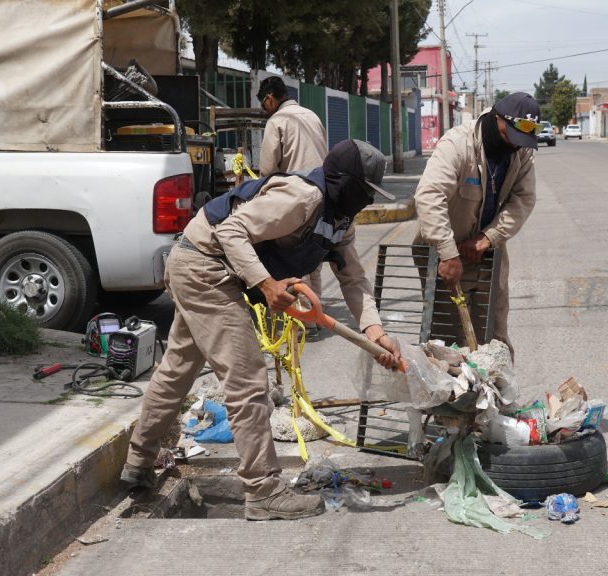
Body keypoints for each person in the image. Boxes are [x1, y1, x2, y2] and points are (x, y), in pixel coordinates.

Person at [120, 139, 401, 521]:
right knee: (247, 380)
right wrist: (266, 284)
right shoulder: (302, 197)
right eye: (365, 191)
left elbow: (353, 278)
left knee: (178, 369)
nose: (367, 200)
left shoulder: (340, 220)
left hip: (204, 266)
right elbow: (231, 232)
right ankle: (264, 490)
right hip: (206, 267)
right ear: (345, 183)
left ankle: (138, 463)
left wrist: (376, 332)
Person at [413, 92, 540, 354]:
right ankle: (456, 394)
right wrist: (447, 253)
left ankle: (495, 394)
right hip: (444, 253)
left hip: (487, 254)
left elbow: (523, 200)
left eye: (521, 141)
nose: (514, 146)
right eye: (510, 137)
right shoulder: (458, 144)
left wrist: (488, 238)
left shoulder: (522, 153)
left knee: (494, 338)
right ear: (497, 119)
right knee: (450, 342)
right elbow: (429, 196)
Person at [257, 76, 329, 338]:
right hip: (323, 193)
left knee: (295, 258)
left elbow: (267, 169)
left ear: (270, 99)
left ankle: (307, 321)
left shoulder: (277, 121)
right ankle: (317, 316)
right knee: (314, 259)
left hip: (296, 196)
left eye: (264, 104)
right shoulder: (311, 115)